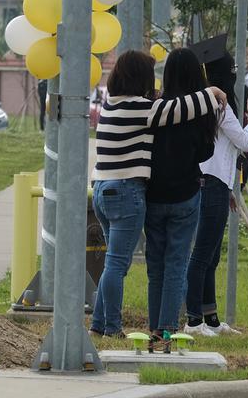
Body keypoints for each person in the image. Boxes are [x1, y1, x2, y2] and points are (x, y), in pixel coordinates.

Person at [90, 51, 224, 338]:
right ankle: (121, 328)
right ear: (141, 78)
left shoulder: (110, 105)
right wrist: (211, 91)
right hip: (128, 192)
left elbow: (172, 108)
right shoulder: (142, 108)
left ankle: (99, 323)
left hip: (102, 188)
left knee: (116, 263)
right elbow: (179, 109)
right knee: (123, 264)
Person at [144, 49, 217, 352]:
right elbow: (205, 153)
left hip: (154, 195)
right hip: (186, 194)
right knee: (176, 263)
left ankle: (153, 332)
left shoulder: (156, 108)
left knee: (155, 266)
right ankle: (166, 333)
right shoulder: (202, 110)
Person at [185, 50, 248, 337]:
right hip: (212, 184)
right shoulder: (220, 105)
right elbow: (244, 143)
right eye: (234, 68)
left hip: (217, 184)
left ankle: (210, 318)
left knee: (211, 256)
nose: (236, 73)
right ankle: (193, 322)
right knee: (202, 255)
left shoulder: (205, 103)